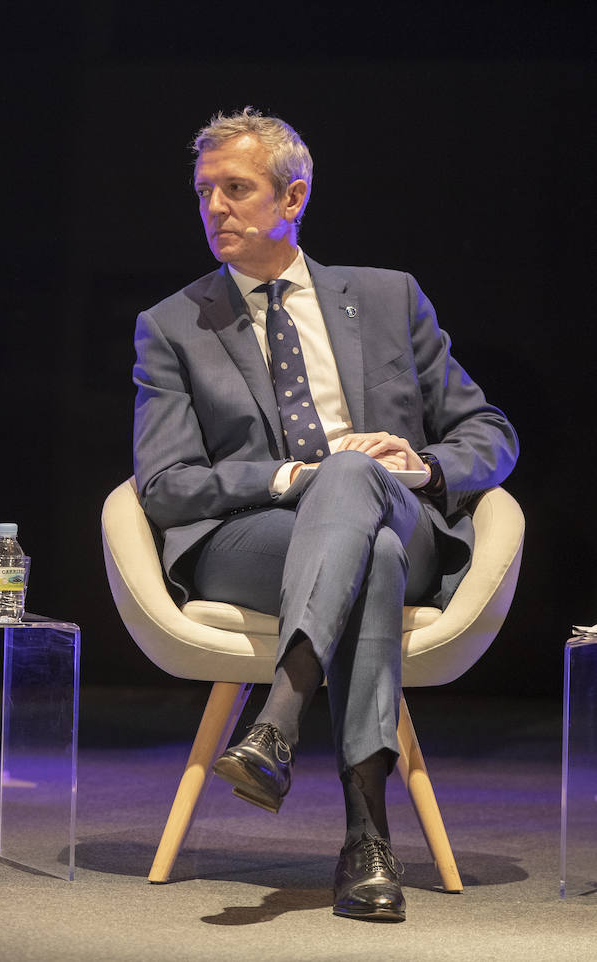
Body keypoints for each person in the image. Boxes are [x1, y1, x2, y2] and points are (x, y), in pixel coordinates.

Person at [131, 107, 517, 921]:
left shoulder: (387, 297)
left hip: (400, 516)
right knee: (366, 549)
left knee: (361, 495)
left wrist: (421, 466)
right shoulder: (172, 326)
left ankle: (277, 719)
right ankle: (367, 841)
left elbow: (491, 434)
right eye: (203, 192)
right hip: (254, 537)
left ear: (293, 197)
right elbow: (164, 484)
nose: (214, 208)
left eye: (236, 189)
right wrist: (287, 476)